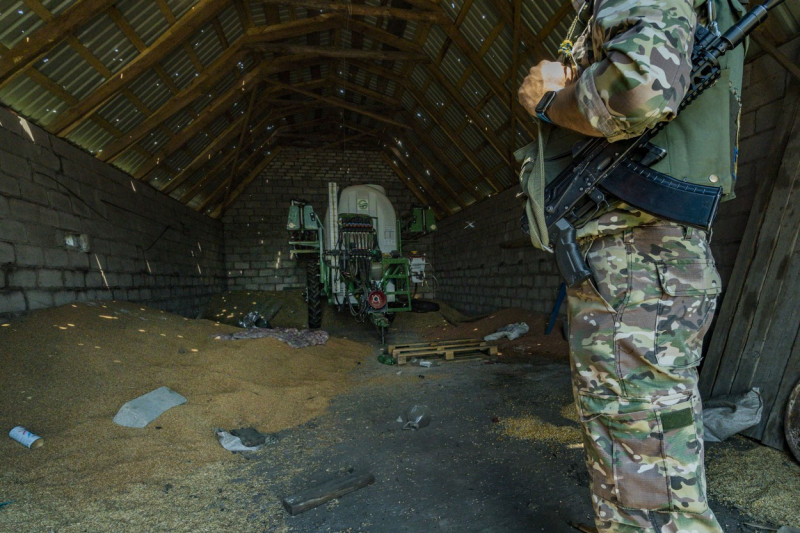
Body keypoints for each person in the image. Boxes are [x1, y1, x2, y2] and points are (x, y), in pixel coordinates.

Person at [517, 0, 746, 531]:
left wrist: (548, 102)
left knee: (653, 490)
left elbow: (642, 89)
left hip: (640, 259)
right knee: (629, 448)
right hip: (635, 266)